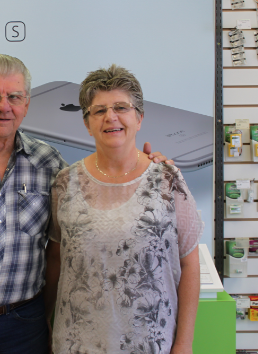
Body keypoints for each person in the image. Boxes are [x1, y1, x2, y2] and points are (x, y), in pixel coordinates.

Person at [0, 54, 171, 354]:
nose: (3, 106)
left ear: (26, 105)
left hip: (24, 328)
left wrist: (145, 169)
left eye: (14, 97)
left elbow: (79, 234)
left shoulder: (49, 165)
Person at [43, 64, 202, 354]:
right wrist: (45, 325)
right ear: (86, 123)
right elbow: (55, 259)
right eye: (99, 110)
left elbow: (190, 263)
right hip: (76, 344)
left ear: (139, 118)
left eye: (121, 107)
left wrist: (184, 343)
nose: (110, 117)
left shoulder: (168, 180)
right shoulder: (65, 183)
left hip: (150, 344)